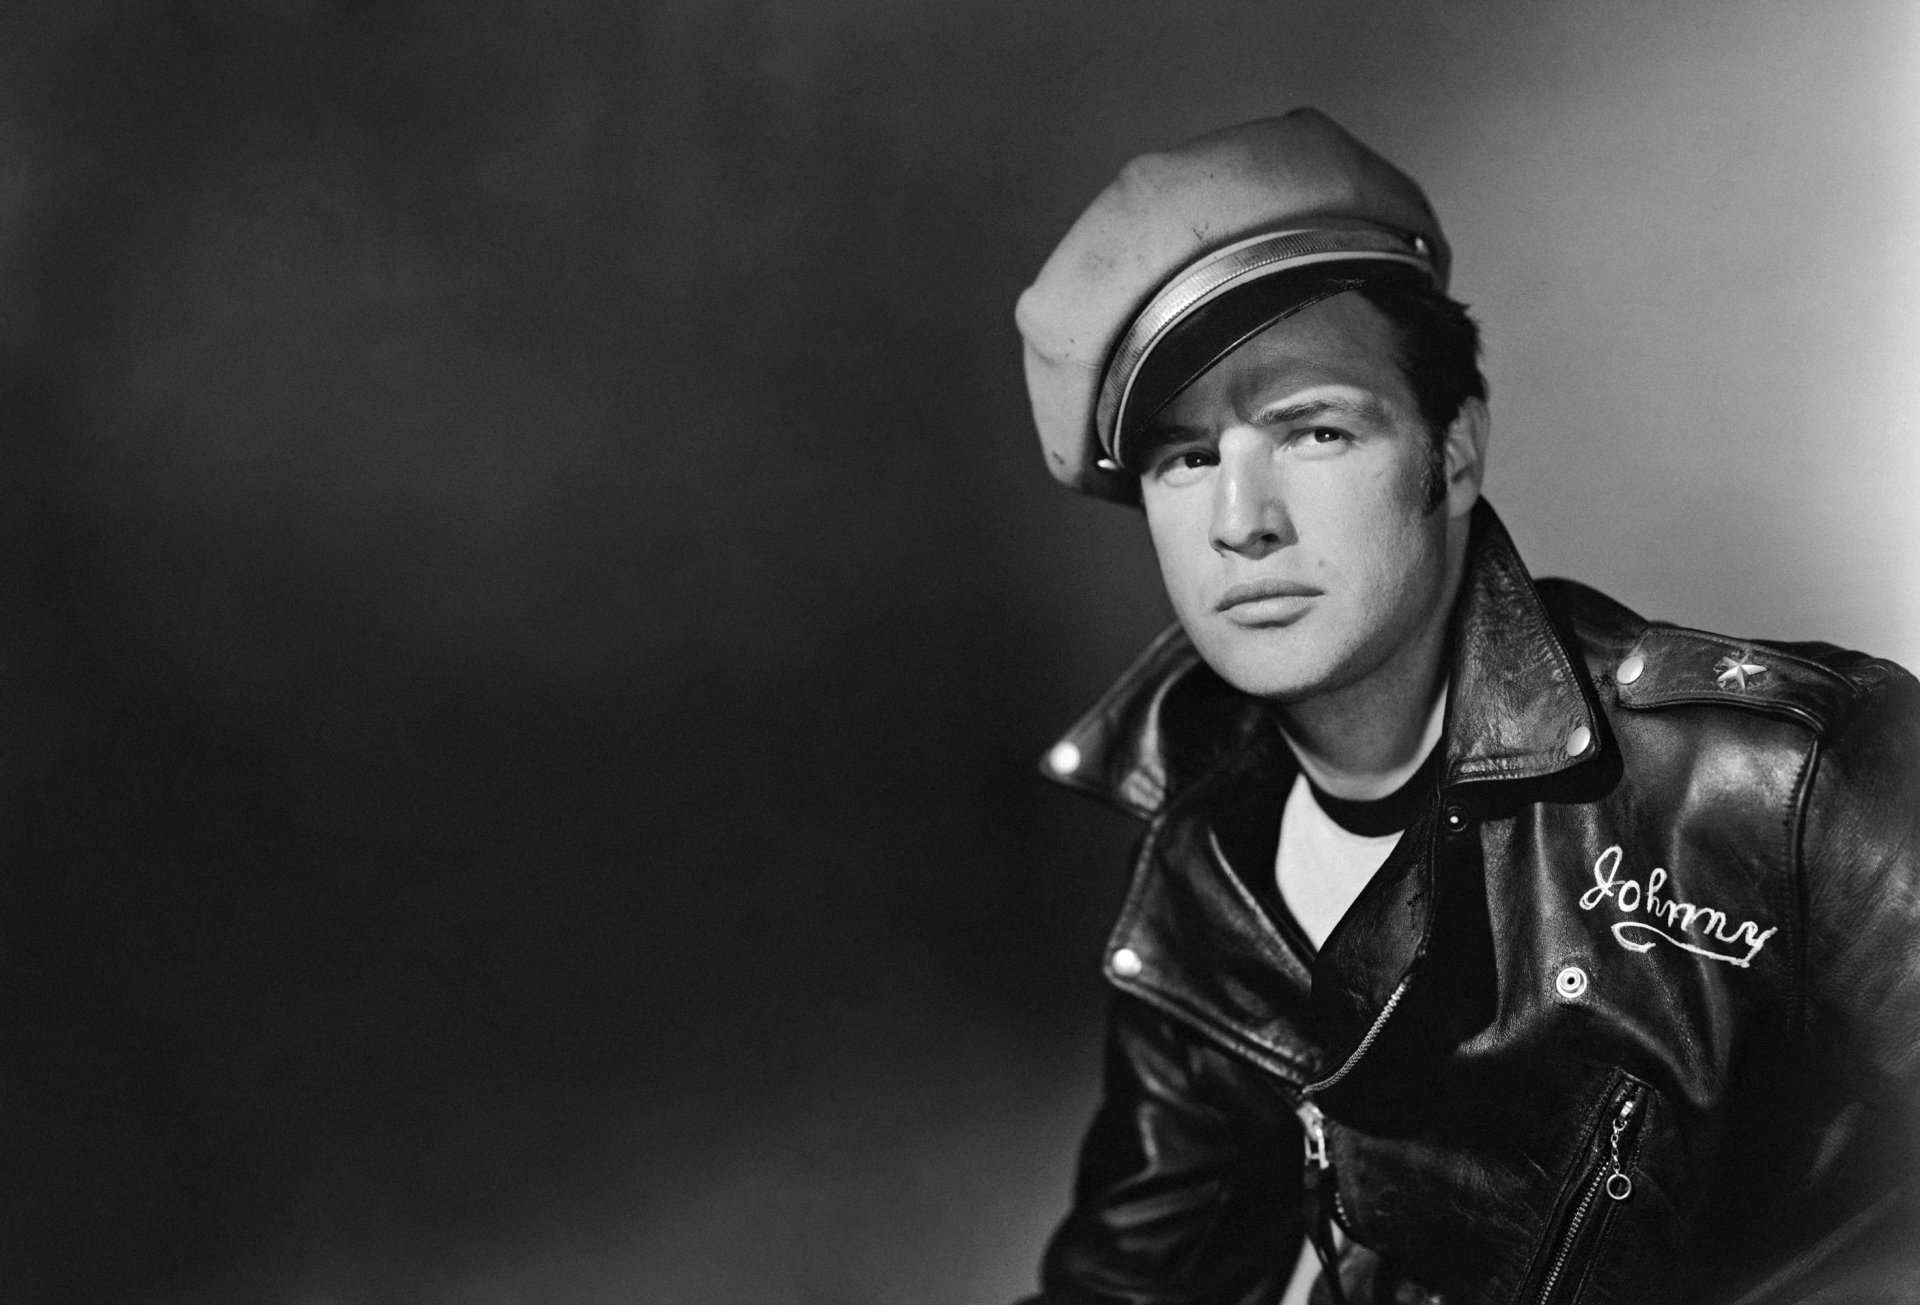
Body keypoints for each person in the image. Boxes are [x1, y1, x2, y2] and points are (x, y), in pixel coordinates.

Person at [1010, 109, 1920, 1305]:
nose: (1243, 519)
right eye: (1187, 459)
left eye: (1314, 430)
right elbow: (1131, 1284)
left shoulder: (1780, 776)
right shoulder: (1208, 865)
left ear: (1453, 455)